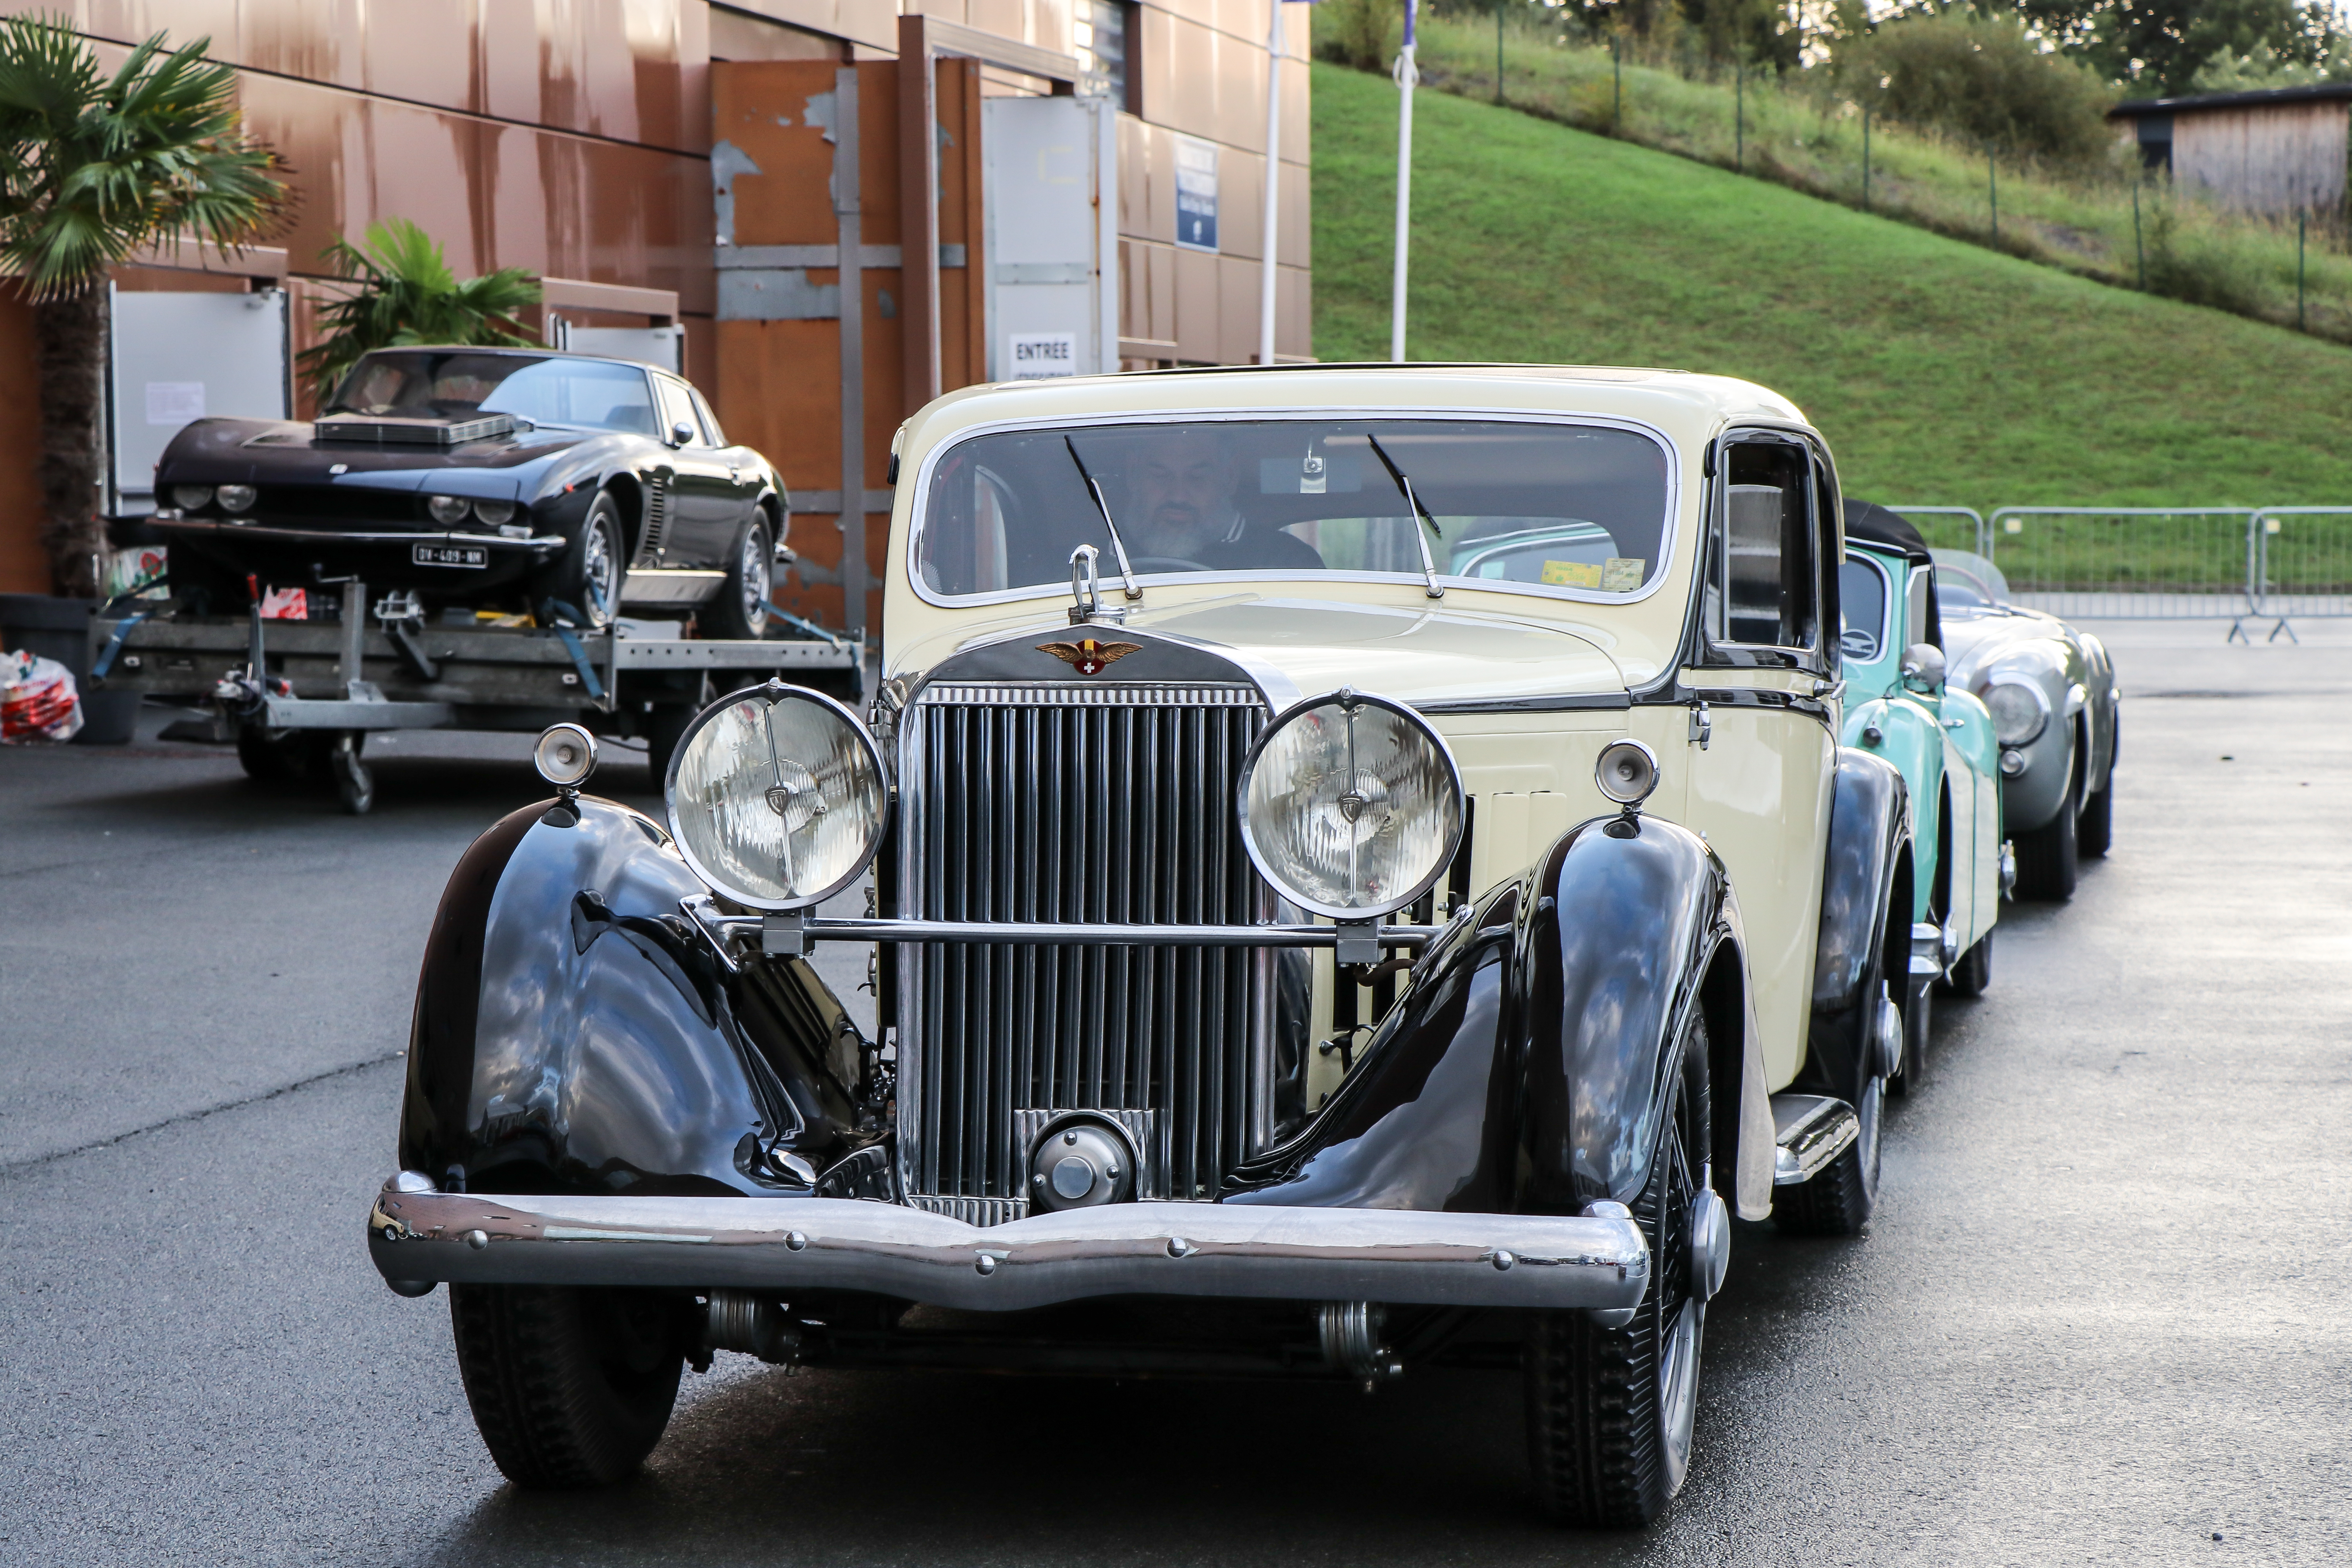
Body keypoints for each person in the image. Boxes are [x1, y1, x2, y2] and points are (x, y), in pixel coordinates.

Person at [1118, 428, 1323, 570]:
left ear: (1230, 477)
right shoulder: (1092, 558)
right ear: (1132, 473)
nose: (1178, 496)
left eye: (1197, 478)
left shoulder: (1286, 561)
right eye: (1160, 476)